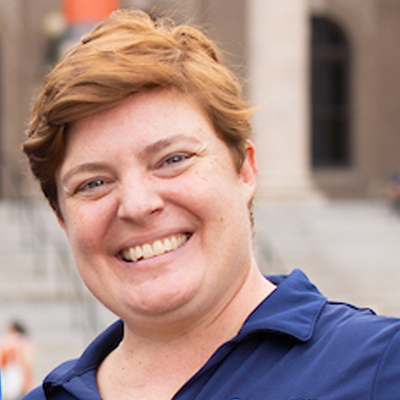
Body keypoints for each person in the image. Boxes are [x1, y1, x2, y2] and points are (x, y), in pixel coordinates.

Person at [22, 9, 400, 400]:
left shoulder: (381, 368)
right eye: (94, 183)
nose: (137, 205)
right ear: (63, 220)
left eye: (173, 159)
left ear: (245, 170)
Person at [0, 321, 34, 400]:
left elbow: (2, 360)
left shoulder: (9, 341)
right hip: (19, 376)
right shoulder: (26, 342)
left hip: (10, 376)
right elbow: (27, 364)